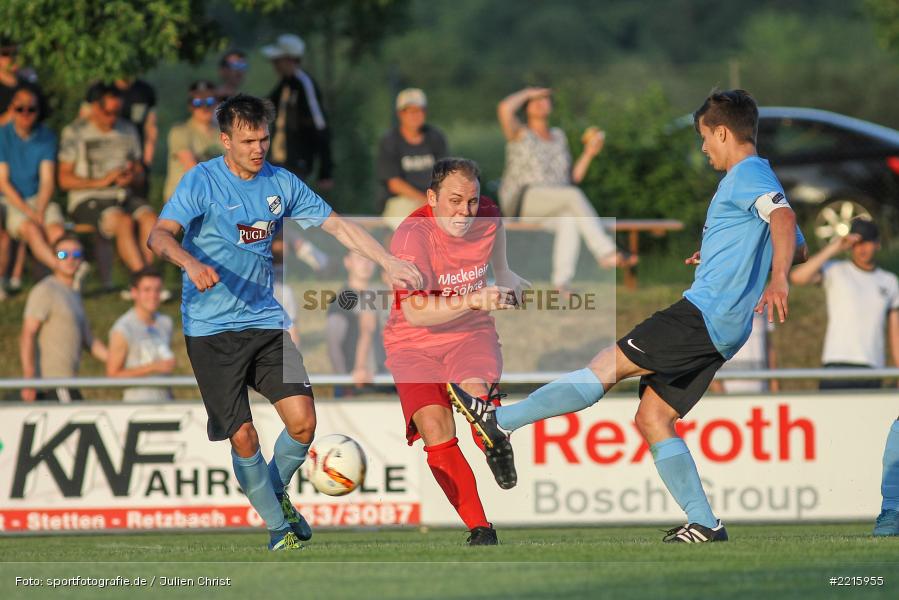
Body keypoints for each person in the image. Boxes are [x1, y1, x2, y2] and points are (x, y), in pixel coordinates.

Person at [450, 89, 808, 544]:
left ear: (722, 132)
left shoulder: (747, 174)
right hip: (724, 330)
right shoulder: (762, 177)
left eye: (705, 138)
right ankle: (706, 523)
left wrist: (777, 279)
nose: (703, 148)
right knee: (652, 418)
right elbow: (800, 245)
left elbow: (784, 221)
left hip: (702, 315)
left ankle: (501, 422)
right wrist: (728, 254)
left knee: (607, 364)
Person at [147, 93, 421, 551]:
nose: (258, 148)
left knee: (302, 424)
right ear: (225, 140)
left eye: (264, 139)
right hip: (210, 331)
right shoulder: (201, 182)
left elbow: (337, 226)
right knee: (245, 435)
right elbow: (159, 235)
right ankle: (279, 529)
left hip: (265, 322)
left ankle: (273, 495)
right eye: (248, 140)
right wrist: (189, 263)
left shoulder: (281, 183)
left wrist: (387, 260)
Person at [384, 157, 530, 545]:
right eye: (454, 201)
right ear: (431, 198)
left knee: (476, 391)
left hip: (469, 334)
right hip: (412, 344)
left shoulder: (487, 214)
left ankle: (493, 440)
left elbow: (496, 238)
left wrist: (506, 276)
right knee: (435, 428)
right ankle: (480, 528)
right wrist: (477, 297)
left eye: (471, 201)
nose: (465, 211)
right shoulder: (411, 235)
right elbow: (415, 313)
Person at [497, 86, 635, 292]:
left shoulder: (558, 136)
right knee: (571, 197)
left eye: (545, 99)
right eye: (535, 100)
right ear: (526, 107)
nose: (541, 102)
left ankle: (562, 283)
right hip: (523, 199)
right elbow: (504, 108)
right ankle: (605, 251)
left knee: (569, 220)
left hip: (555, 201)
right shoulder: (520, 132)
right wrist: (528, 92)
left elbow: (572, 179)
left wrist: (589, 153)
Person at [59, 83, 157, 277]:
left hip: (122, 193)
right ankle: (143, 277)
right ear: (95, 107)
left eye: (117, 112)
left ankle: (145, 280)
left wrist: (132, 176)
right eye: (107, 112)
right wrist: (102, 182)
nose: (113, 118)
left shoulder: (127, 129)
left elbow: (139, 170)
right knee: (123, 221)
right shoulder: (75, 132)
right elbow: (63, 179)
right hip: (87, 198)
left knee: (151, 220)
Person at [790, 219, 899, 389]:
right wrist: (834, 248)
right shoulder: (835, 270)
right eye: (857, 243)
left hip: (873, 367)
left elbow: (896, 334)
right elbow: (798, 277)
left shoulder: (889, 281)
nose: (862, 248)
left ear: (877, 244)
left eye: (867, 242)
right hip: (836, 365)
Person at [20, 235, 108, 402]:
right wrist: (29, 379)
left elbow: (89, 341)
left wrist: (120, 362)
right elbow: (27, 334)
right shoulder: (46, 289)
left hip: (68, 382)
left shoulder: (74, 294)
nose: (70, 259)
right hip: (52, 384)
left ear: (81, 260)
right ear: (54, 257)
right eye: (62, 254)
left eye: (75, 255)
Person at [0, 83, 65, 273]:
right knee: (32, 230)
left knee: (57, 233)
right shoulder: (2, 136)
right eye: (20, 109)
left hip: (38, 200)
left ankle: (63, 260)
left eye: (31, 109)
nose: (25, 113)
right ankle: (62, 268)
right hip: (11, 201)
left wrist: (40, 210)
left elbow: (47, 180)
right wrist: (30, 213)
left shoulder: (46, 137)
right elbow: (3, 182)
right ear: (11, 109)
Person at [263, 34, 333, 189]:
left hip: (297, 162)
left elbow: (320, 126)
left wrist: (325, 170)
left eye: (277, 60)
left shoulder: (304, 84)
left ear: (290, 59)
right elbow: (265, 106)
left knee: (288, 207)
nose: (274, 64)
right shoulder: (285, 84)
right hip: (277, 160)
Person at [377, 88, 448, 228]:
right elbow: (394, 183)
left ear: (425, 112)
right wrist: (424, 201)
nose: (415, 115)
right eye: (409, 111)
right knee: (406, 226)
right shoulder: (390, 141)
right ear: (400, 114)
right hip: (401, 200)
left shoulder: (435, 137)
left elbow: (445, 176)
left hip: (433, 199)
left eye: (419, 110)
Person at [106, 268, 175, 402]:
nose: (153, 295)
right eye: (147, 290)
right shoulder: (123, 328)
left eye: (157, 290)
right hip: (137, 409)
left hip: (166, 406)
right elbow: (113, 376)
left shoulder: (165, 323)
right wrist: (152, 368)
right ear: (134, 293)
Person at [326, 251, 386, 386]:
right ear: (348, 262)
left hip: (383, 377)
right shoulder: (342, 302)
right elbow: (333, 345)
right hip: (357, 380)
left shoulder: (380, 295)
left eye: (369, 259)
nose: (365, 264)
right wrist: (344, 382)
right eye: (360, 259)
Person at [163, 81, 224, 201]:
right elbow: (194, 171)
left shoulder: (223, 133)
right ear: (190, 106)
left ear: (217, 104)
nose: (204, 107)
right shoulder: (180, 131)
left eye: (209, 101)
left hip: (214, 198)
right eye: (198, 103)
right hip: (183, 200)